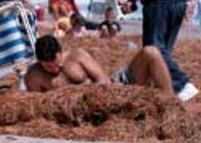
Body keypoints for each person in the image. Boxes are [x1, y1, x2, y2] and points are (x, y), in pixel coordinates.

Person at [24, 35, 174, 97]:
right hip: (79, 113)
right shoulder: (34, 76)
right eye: (48, 68)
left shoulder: (77, 56)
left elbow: (104, 80)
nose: (55, 70)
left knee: (151, 52)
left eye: (57, 64)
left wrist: (85, 92)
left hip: (111, 91)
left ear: (61, 52)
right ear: (39, 61)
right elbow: (37, 104)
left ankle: (170, 102)